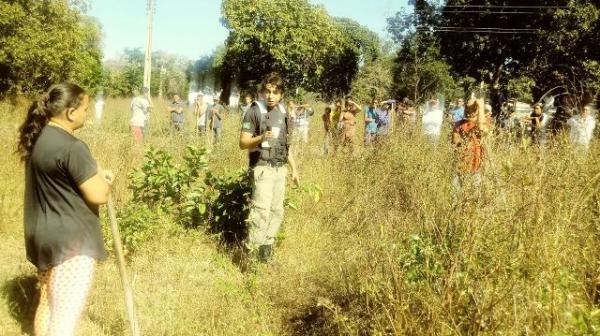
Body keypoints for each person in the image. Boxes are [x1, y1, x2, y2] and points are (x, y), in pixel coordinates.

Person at [17, 83, 114, 336]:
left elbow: (63, 179)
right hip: (72, 244)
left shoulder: (41, 139)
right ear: (71, 112)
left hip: (44, 237)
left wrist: (94, 174)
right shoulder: (72, 146)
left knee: (48, 305)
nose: (87, 114)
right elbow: (98, 194)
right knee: (65, 317)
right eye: (84, 108)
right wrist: (105, 180)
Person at [240, 72, 299, 263]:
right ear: (263, 92)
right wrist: (261, 138)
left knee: (276, 212)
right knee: (260, 212)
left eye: (275, 92)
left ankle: (266, 252)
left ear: (281, 94)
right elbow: (243, 142)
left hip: (279, 169)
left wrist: (294, 169)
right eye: (268, 91)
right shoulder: (254, 110)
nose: (271, 95)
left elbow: (284, 145)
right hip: (262, 168)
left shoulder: (283, 113)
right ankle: (251, 256)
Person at [451, 98, 490, 202]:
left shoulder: (485, 121)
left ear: (477, 110)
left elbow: (483, 130)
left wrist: (481, 107)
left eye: (472, 109)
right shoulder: (458, 123)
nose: (468, 112)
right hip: (460, 165)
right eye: (467, 109)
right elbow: (455, 141)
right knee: (455, 196)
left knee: (473, 197)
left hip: (476, 166)